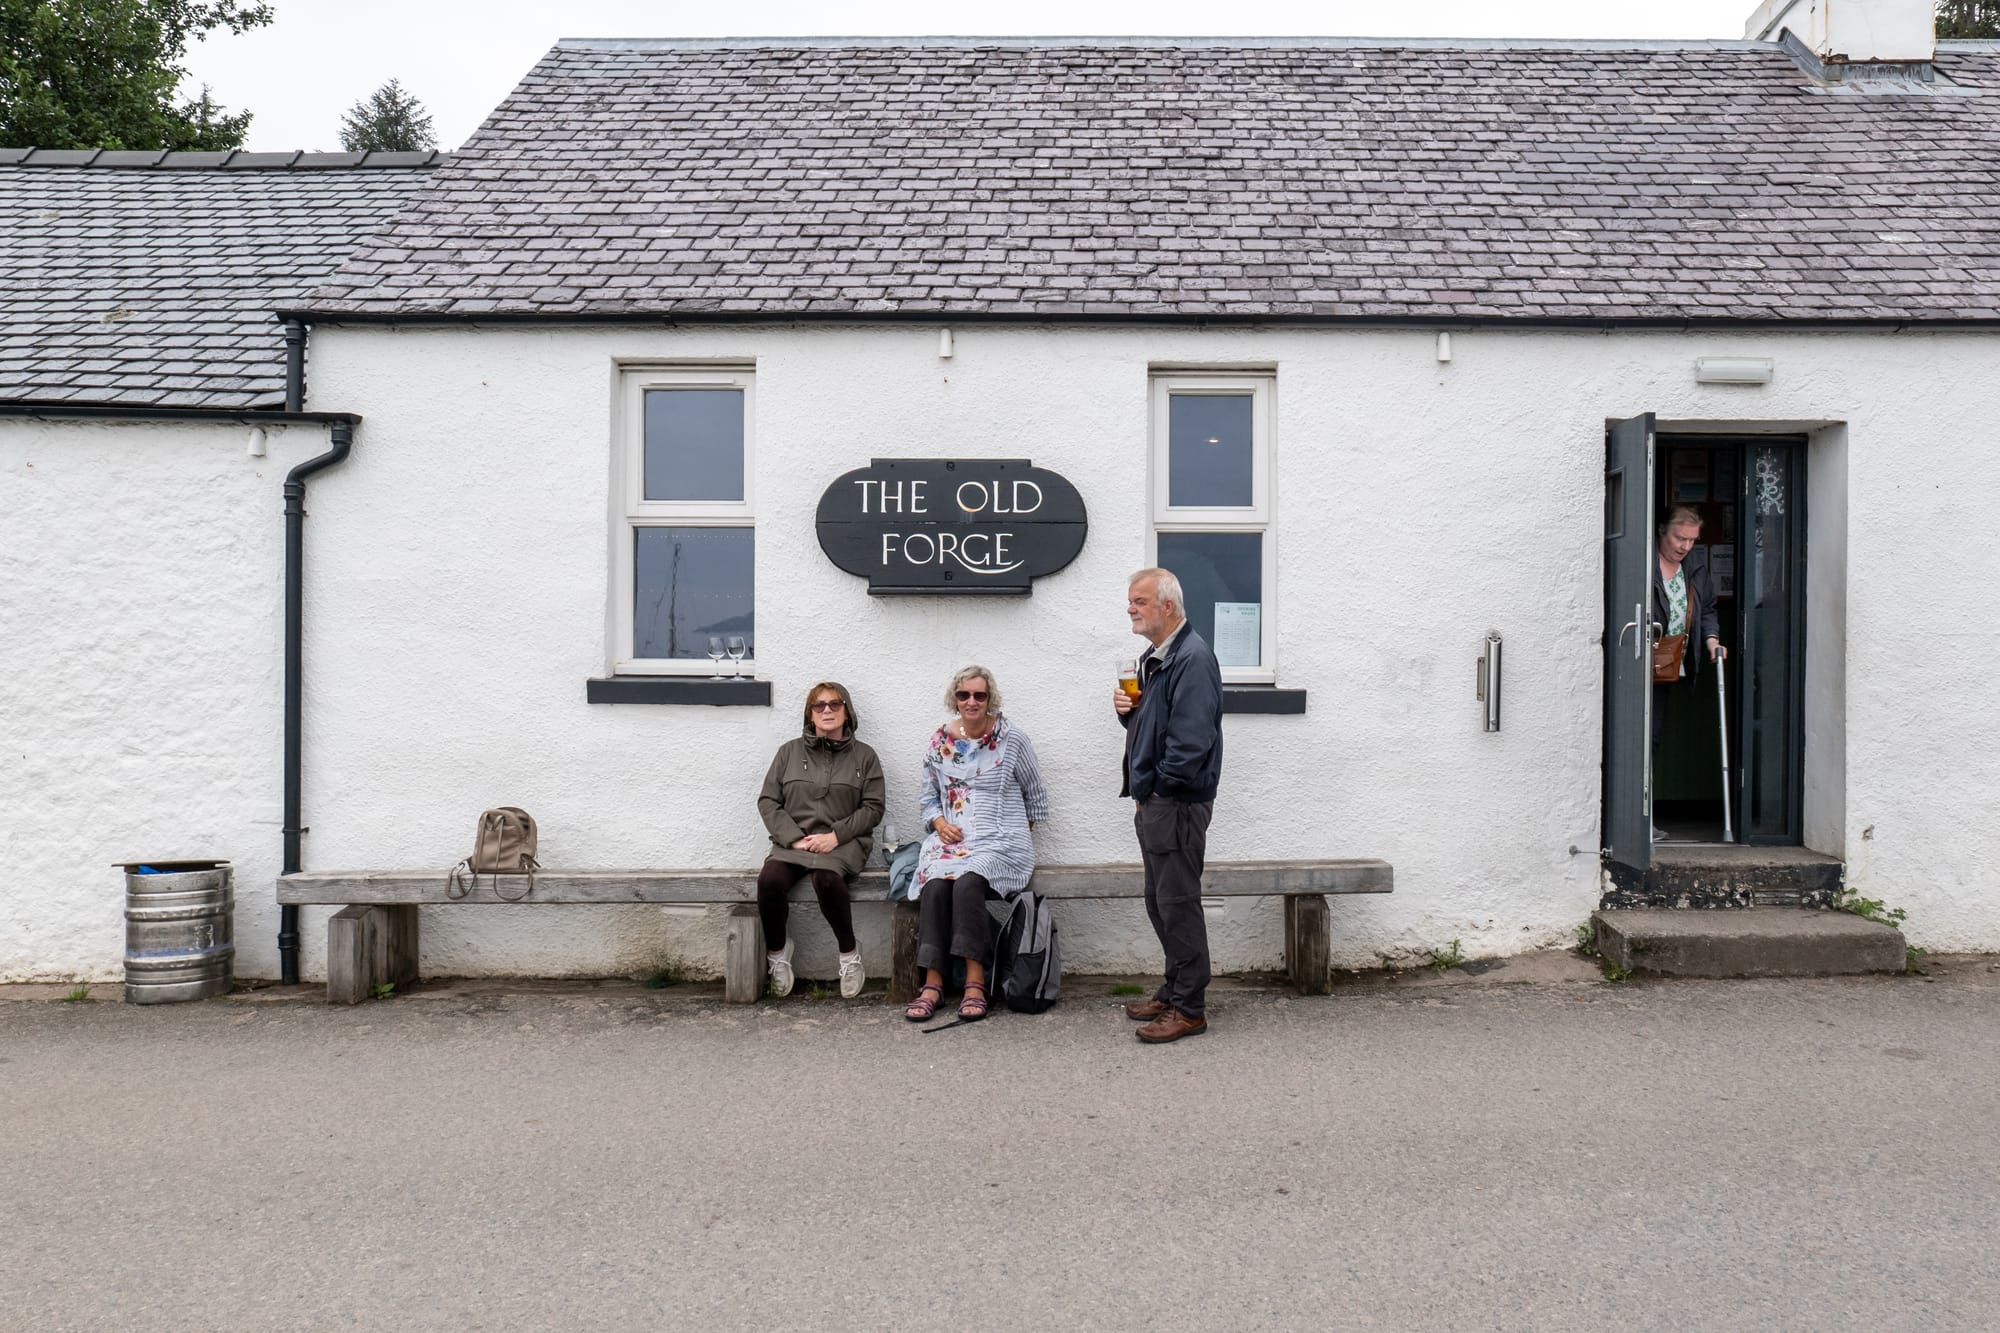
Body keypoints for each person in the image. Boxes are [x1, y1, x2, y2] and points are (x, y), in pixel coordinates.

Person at [1113, 567, 1223, 1044]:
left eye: (1139, 601)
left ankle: (1190, 1008)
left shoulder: (1192, 659)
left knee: (1177, 905)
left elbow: (1191, 739)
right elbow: (1158, 728)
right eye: (1130, 602)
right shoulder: (1157, 657)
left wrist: (1160, 789)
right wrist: (1130, 714)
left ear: (1168, 607)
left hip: (1174, 803)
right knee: (1160, 902)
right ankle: (1174, 988)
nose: (1131, 609)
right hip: (1158, 800)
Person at [905, 665, 1049, 1022]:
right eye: (964, 695)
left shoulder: (1011, 739)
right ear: (955, 699)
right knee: (936, 885)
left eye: (979, 695)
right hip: (951, 841)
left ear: (990, 699)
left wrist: (1013, 830)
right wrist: (939, 823)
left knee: (968, 883)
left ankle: (975, 983)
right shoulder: (940, 741)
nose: (971, 702)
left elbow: (1035, 793)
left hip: (1000, 840)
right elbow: (928, 798)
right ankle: (933, 983)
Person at [756, 681, 885, 999]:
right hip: (795, 844)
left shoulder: (865, 757)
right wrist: (794, 839)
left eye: (835, 704)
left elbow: (873, 807)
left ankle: (849, 955)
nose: (827, 710)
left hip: (843, 844)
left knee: (827, 881)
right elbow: (768, 801)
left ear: (847, 711)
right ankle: (777, 954)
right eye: (819, 705)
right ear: (810, 714)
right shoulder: (788, 752)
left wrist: (836, 836)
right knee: (769, 881)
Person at [1651, 506, 1727, 840]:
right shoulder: (1643, 560)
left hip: (1672, 660)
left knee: (1651, 737)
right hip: (1640, 656)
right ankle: (1635, 821)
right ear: (1662, 532)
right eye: (1679, 538)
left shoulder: (1694, 567)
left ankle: (1643, 817)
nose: (1684, 546)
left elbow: (1707, 608)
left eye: (1691, 540)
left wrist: (1712, 641)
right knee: (1640, 739)